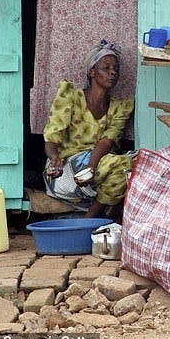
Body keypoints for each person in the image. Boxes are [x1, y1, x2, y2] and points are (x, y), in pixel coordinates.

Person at [43, 40, 135, 218]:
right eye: (106, 68)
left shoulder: (119, 107)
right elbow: (52, 136)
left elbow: (107, 141)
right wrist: (54, 158)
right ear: (92, 72)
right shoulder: (71, 97)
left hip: (94, 171)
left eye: (115, 68)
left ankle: (90, 218)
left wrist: (91, 168)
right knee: (122, 165)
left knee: (130, 166)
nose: (113, 72)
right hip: (65, 174)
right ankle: (95, 218)